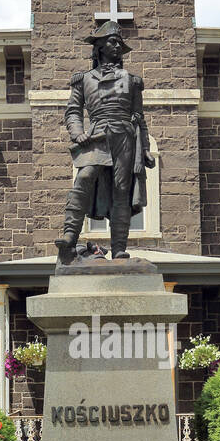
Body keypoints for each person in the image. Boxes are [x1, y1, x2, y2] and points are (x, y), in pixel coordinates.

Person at [54, 20, 154, 263]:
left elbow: (139, 117)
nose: (117, 46)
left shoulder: (132, 80)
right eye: (112, 41)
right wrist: (78, 133)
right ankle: (70, 235)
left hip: (124, 135)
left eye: (120, 43)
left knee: (122, 191)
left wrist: (146, 149)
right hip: (97, 134)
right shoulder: (83, 79)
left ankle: (119, 247)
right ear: (99, 46)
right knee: (85, 176)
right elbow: (73, 111)